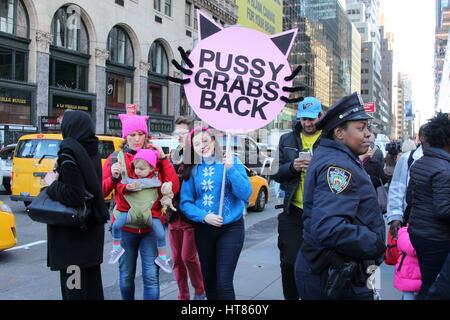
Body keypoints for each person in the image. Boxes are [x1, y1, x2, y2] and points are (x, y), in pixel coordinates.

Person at [295, 92, 386, 300]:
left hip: (344, 271)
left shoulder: (341, 157)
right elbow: (328, 227)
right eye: (360, 128)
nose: (368, 134)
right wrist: (375, 243)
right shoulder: (337, 166)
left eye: (367, 128)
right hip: (333, 274)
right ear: (339, 133)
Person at [102, 113, 180, 300]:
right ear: (125, 137)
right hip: (126, 227)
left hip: (151, 227)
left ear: (146, 135)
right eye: (132, 135)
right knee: (126, 277)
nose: (137, 139)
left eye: (140, 134)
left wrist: (164, 161)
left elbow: (174, 189)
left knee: (151, 277)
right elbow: (102, 192)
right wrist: (113, 177)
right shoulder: (115, 158)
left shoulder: (156, 156)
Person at [180, 127, 252, 300]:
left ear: (213, 140)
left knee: (224, 281)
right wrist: (204, 216)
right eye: (197, 144)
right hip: (204, 230)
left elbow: (246, 193)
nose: (202, 146)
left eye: (205, 140)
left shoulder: (231, 161)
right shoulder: (193, 168)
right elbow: (185, 202)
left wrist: (231, 170)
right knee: (209, 281)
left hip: (231, 229)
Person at [45, 110, 109, 300]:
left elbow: (74, 194)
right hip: (90, 235)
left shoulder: (69, 152)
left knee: (75, 291)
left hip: (72, 242)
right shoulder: (92, 151)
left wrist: (52, 184)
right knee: (91, 289)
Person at [272, 97, 322, 300]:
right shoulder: (287, 139)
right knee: (289, 262)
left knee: (318, 264)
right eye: (303, 119)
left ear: (320, 116)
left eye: (311, 119)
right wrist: (293, 167)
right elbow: (275, 171)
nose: (308, 123)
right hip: (293, 210)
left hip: (321, 212)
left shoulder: (330, 138)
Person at [109, 149, 173, 274]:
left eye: (142, 169)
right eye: (136, 168)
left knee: (160, 233)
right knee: (116, 225)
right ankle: (116, 248)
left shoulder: (156, 181)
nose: (138, 171)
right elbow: (119, 185)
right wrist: (127, 187)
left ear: (151, 169)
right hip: (131, 214)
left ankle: (163, 258)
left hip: (149, 215)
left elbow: (164, 192)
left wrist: (167, 195)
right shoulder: (129, 179)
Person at [408, 113, 450, 299]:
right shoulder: (445, 169)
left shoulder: (420, 163)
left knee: (427, 280)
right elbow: (443, 210)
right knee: (433, 285)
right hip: (437, 238)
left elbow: (410, 198)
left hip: (418, 233)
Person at [168, 116, 206, 300]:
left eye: (183, 133)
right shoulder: (175, 153)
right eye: (177, 133)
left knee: (188, 257)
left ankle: (200, 290)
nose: (179, 136)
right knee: (176, 260)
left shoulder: (198, 155)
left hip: (190, 215)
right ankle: (183, 295)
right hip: (173, 215)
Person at [386, 125, 426, 239]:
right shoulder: (408, 158)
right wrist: (395, 216)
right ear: (422, 137)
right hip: (410, 223)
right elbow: (397, 188)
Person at [393, 226, 422, 300]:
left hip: (421, 273)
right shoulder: (404, 232)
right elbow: (411, 248)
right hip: (409, 274)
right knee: (409, 296)